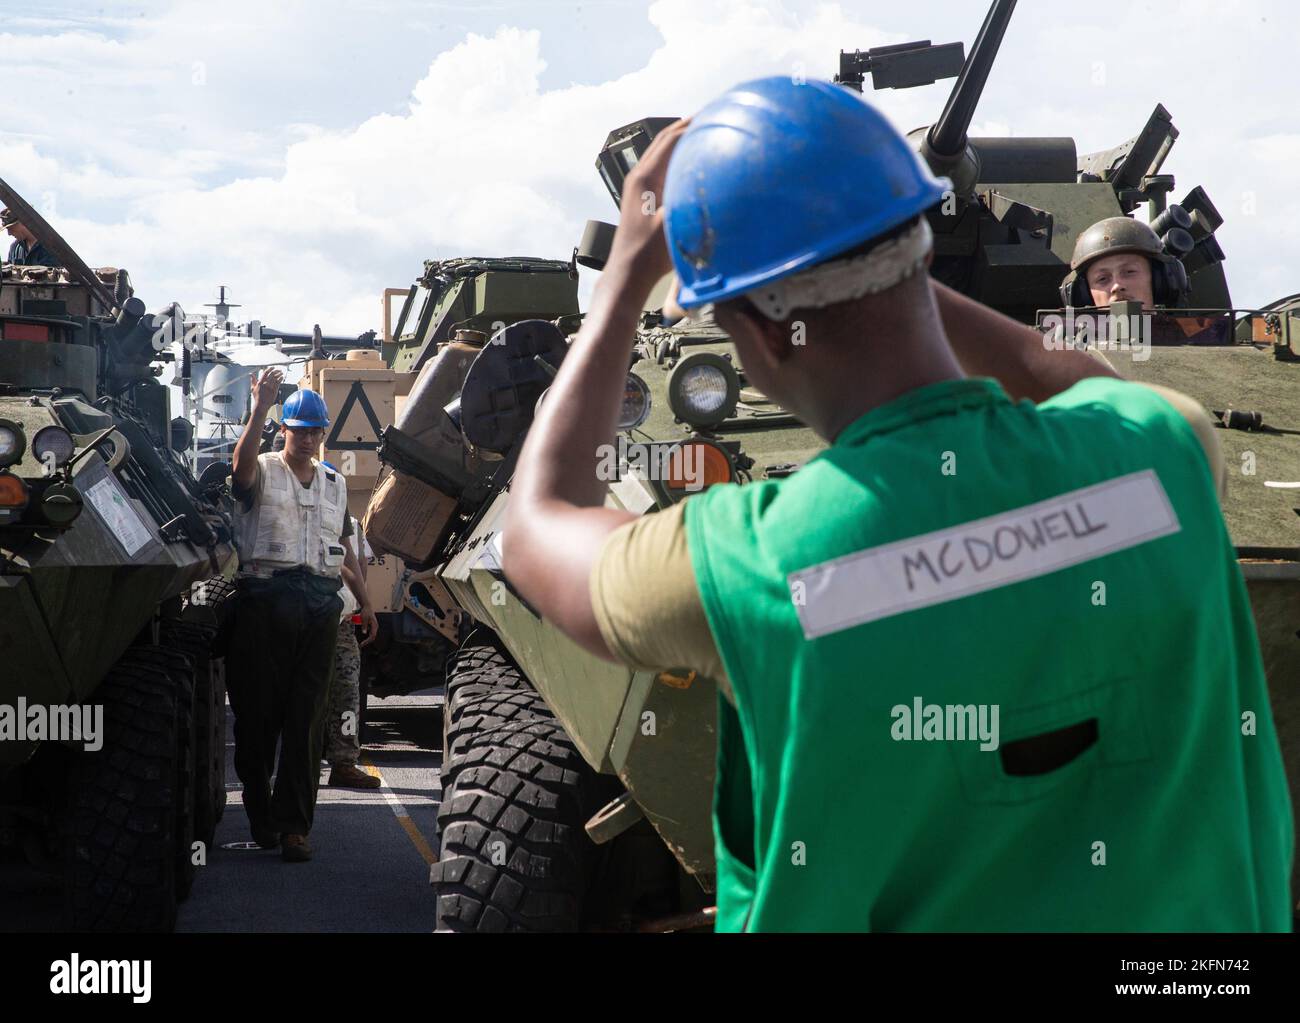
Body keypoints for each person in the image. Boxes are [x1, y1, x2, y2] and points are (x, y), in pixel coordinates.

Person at [499, 78, 1292, 931]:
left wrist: (626, 276)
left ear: (760, 330)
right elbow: (1067, 377)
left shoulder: (745, 560)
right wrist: (887, 247)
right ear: (919, 246)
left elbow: (536, 523)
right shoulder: (1159, 452)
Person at [228, 368, 377, 862]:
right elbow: (240, 468)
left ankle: (294, 828)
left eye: (316, 430)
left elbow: (342, 547)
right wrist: (259, 407)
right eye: (300, 429)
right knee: (256, 719)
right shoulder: (264, 467)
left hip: (319, 605)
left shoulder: (334, 484)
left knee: (306, 722)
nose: (309, 437)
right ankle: (259, 807)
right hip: (265, 602)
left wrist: (364, 601)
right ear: (283, 429)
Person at [323, 513, 381, 789]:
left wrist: (363, 605)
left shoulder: (353, 527)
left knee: (347, 695)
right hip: (305, 619)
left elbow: (360, 566)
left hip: (342, 623)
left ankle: (344, 763)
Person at [1059, 216, 1188, 310]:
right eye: (1103, 279)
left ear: (1160, 281)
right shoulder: (1062, 346)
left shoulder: (1197, 337)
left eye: (1129, 272)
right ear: (1084, 295)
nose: (1117, 286)